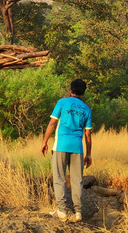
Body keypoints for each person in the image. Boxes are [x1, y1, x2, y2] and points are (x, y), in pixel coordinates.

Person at [40, 78, 93, 222]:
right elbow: (87, 135)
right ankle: (78, 213)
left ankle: (62, 211)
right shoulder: (86, 109)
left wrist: (45, 141)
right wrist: (88, 154)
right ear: (83, 93)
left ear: (70, 90)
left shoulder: (62, 102)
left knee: (59, 178)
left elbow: (52, 122)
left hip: (61, 145)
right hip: (78, 148)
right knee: (77, 180)